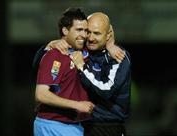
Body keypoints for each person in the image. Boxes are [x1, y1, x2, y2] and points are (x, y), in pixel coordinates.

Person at [51, 12, 131, 136]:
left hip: (108, 127)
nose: (91, 38)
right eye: (88, 32)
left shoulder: (118, 56)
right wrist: (51, 45)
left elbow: (106, 90)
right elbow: (40, 66)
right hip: (80, 124)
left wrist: (82, 67)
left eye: (97, 33)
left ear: (108, 35)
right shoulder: (81, 50)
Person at [33, 8, 94, 136]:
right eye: (79, 30)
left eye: (85, 30)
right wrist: (77, 105)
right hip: (52, 125)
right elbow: (41, 94)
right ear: (65, 30)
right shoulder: (54, 55)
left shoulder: (87, 53)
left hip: (74, 126)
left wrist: (111, 46)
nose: (83, 35)